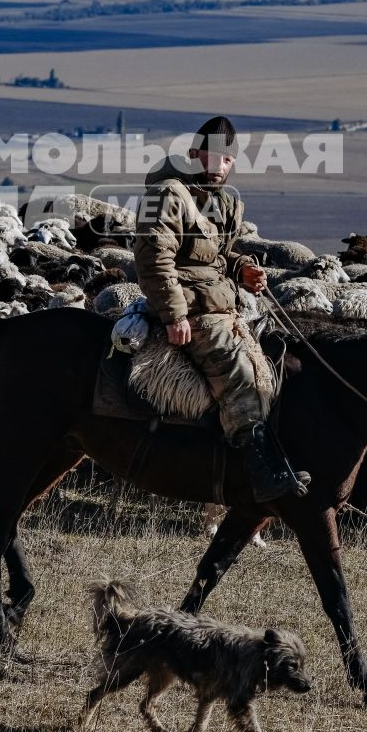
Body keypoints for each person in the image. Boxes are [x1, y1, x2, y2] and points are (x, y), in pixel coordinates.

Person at [132, 115, 310, 501]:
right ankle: (260, 478)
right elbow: (153, 259)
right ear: (194, 155)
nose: (219, 166)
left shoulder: (220, 202)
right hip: (193, 311)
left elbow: (215, 256)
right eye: (212, 158)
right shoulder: (165, 195)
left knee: (272, 371)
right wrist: (174, 315)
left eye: (227, 160)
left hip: (223, 307)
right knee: (241, 379)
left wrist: (241, 269)